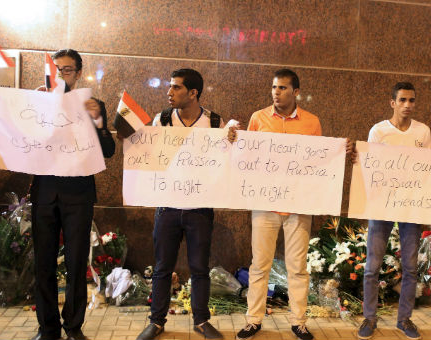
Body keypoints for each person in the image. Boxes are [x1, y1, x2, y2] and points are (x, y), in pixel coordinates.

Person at [231, 69, 323, 340]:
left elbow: (320, 160)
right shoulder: (258, 119)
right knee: (260, 265)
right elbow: (247, 156)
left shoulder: (312, 122)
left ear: (296, 92)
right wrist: (234, 141)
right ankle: (253, 320)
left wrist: (344, 152)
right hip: (265, 203)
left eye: (282, 88)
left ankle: (298, 322)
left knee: (297, 267)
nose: (276, 92)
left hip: (298, 205)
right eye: (273, 87)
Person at [30, 49, 115, 340]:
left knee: (77, 262)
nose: (62, 75)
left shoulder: (93, 104)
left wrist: (98, 123)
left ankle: (74, 326)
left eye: (68, 70)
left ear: (79, 73)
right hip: (44, 193)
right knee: (43, 262)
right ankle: (47, 327)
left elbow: (108, 152)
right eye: (57, 69)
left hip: (78, 194)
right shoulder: (38, 102)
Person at [135, 68, 225, 340]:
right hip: (168, 206)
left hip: (199, 208)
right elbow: (147, 155)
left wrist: (234, 139)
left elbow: (226, 161)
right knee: (162, 267)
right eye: (170, 87)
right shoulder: (161, 120)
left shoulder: (214, 123)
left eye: (176, 87)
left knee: (199, 268)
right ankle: (157, 321)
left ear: (193, 93)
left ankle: (201, 321)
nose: (169, 92)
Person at [356, 82, 430, 340]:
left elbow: (427, 167)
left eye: (412, 100)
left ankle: (405, 319)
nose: (408, 105)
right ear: (393, 103)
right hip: (382, 203)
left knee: (410, 266)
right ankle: (369, 318)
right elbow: (370, 168)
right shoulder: (378, 131)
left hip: (411, 203)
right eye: (402, 100)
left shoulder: (423, 131)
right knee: (372, 266)